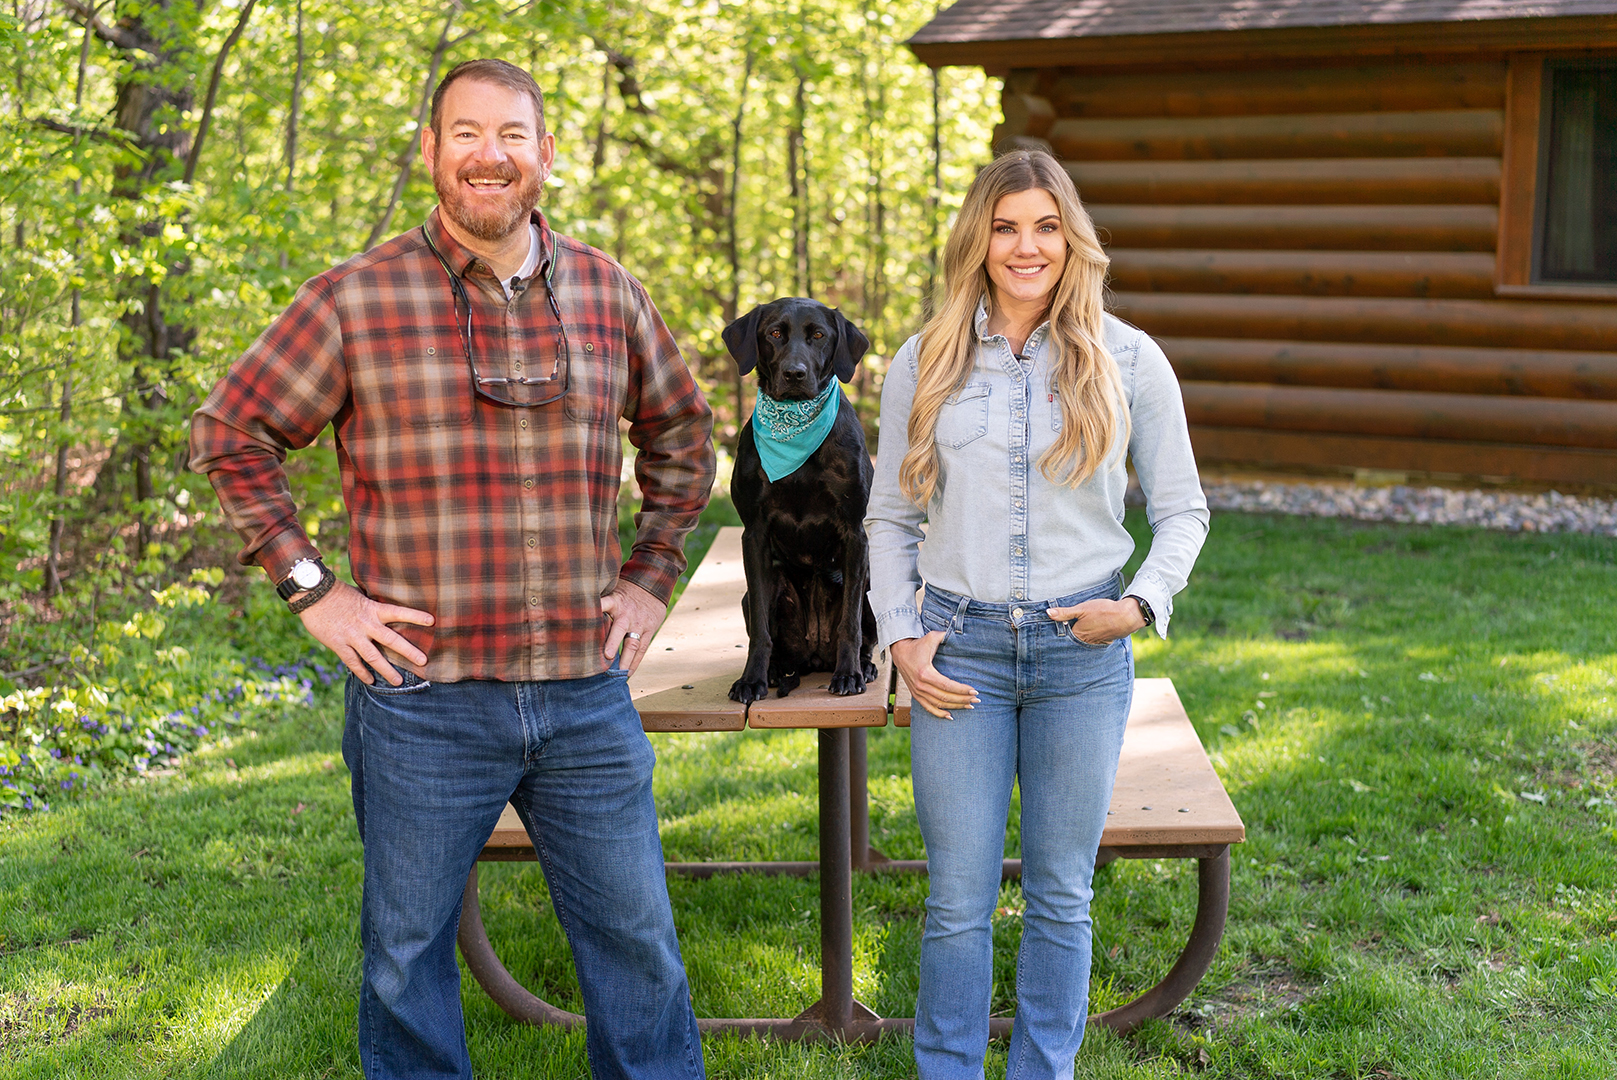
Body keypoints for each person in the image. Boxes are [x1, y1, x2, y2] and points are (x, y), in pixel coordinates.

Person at [190, 59, 713, 1080]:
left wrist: (651, 575)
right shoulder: (356, 297)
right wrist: (314, 590)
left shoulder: (609, 292)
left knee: (638, 951)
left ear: (545, 154)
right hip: (420, 701)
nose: (490, 155)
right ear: (430, 152)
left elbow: (685, 437)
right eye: (465, 133)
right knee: (405, 958)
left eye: (512, 134)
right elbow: (229, 431)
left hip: (584, 696)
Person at [865, 149, 1209, 1080]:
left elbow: (1182, 510)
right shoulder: (924, 358)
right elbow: (891, 516)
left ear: (1072, 238)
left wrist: (1139, 603)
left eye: (1046, 226)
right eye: (1006, 226)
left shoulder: (1128, 357)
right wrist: (899, 632)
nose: (1026, 247)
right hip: (958, 654)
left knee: (1060, 895)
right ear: (978, 239)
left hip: (1079, 658)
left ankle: (1042, 1071)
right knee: (956, 900)